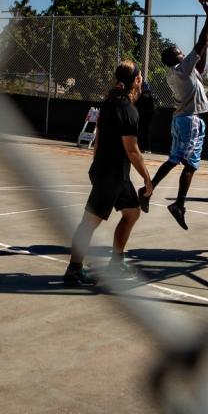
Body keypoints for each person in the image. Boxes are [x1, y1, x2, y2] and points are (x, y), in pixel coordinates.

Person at [64, 60, 153, 286]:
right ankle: (74, 271)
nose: (142, 79)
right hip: (111, 174)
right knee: (89, 223)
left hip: (115, 173)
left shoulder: (110, 103)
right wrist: (147, 178)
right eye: (140, 76)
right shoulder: (127, 109)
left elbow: (99, 138)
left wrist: (95, 164)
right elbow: (132, 151)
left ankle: (116, 262)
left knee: (132, 213)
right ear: (135, 81)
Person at [140, 0, 208, 229]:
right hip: (190, 120)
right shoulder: (181, 69)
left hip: (181, 119)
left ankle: (148, 190)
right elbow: (199, 43)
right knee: (190, 164)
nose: (184, 54)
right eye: (180, 53)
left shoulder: (178, 72)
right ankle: (179, 204)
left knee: (174, 159)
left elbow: (200, 67)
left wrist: (205, 48)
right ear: (176, 59)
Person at [136, 81, 155, 153]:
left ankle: (145, 148)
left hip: (144, 116)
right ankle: (146, 148)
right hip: (147, 116)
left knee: (143, 132)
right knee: (146, 132)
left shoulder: (143, 96)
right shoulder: (149, 95)